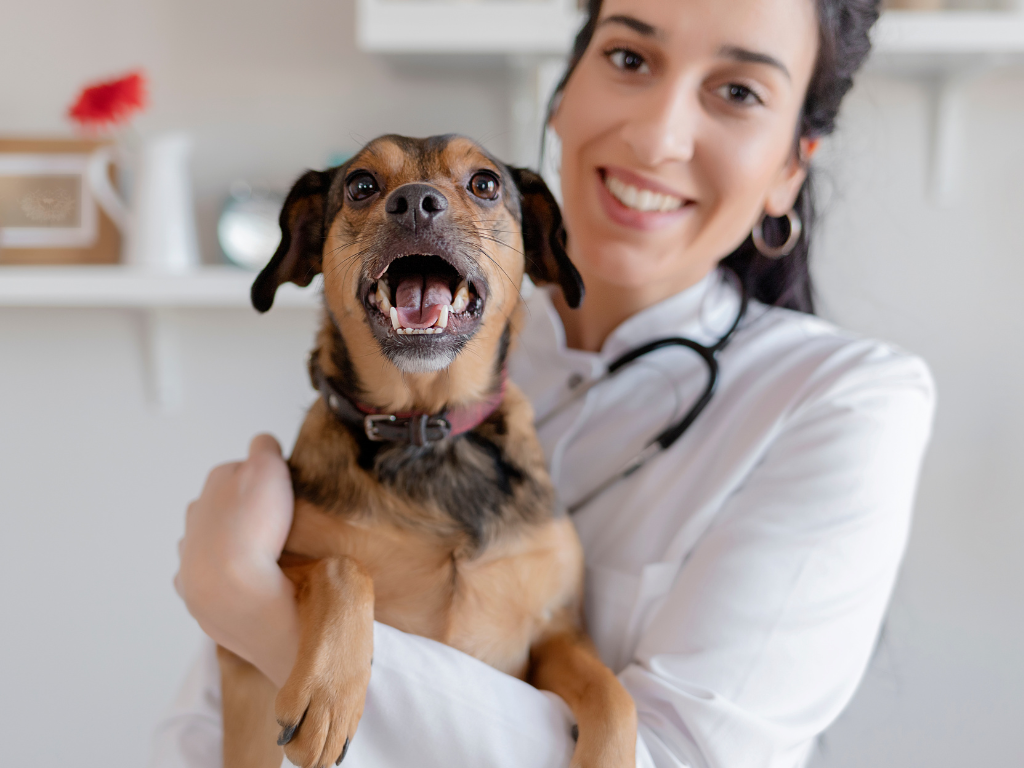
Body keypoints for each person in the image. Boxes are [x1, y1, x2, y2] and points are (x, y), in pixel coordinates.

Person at [159, 0, 935, 765]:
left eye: (739, 91)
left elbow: (674, 759)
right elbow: (202, 732)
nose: (657, 136)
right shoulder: (404, 364)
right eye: (629, 58)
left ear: (792, 165)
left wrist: (253, 606)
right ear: (562, 96)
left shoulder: (849, 399)